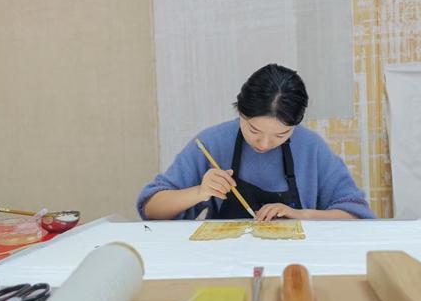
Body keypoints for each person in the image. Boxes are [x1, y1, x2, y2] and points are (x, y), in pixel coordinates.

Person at [137, 64, 375, 221]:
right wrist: (199, 192)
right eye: (254, 130)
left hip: (295, 263)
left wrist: (302, 215)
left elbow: (356, 215)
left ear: (295, 125)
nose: (264, 143)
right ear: (240, 111)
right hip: (225, 263)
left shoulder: (311, 148)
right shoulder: (212, 142)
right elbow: (151, 208)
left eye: (281, 135)